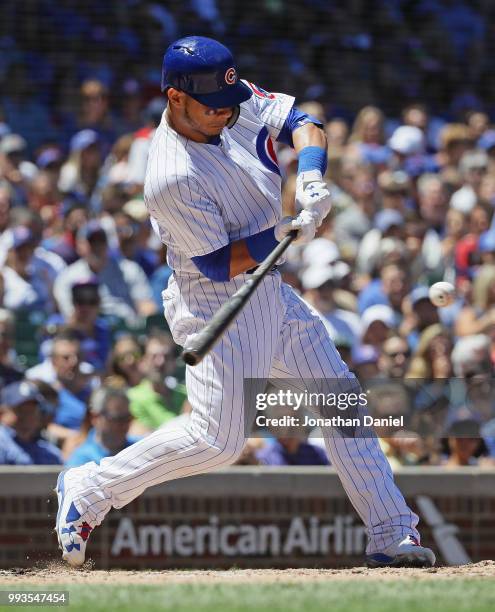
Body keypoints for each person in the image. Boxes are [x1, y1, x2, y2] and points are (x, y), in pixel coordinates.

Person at [55, 36, 435, 569]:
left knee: (341, 403)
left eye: (229, 102)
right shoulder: (170, 175)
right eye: (212, 106)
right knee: (218, 442)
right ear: (175, 98)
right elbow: (217, 262)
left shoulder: (229, 101)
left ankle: (393, 533)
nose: (225, 113)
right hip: (215, 300)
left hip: (271, 291)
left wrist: (310, 173)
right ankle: (90, 488)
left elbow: (303, 121)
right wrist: (287, 229)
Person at [66, 387, 138, 467]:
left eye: (128, 418)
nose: (124, 424)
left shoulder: (138, 447)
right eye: (117, 419)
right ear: (95, 418)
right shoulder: (81, 460)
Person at [0, 380, 62, 465]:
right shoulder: (2, 443)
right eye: (20, 411)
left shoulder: (50, 451)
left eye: (31, 412)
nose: (27, 418)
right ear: (2, 413)